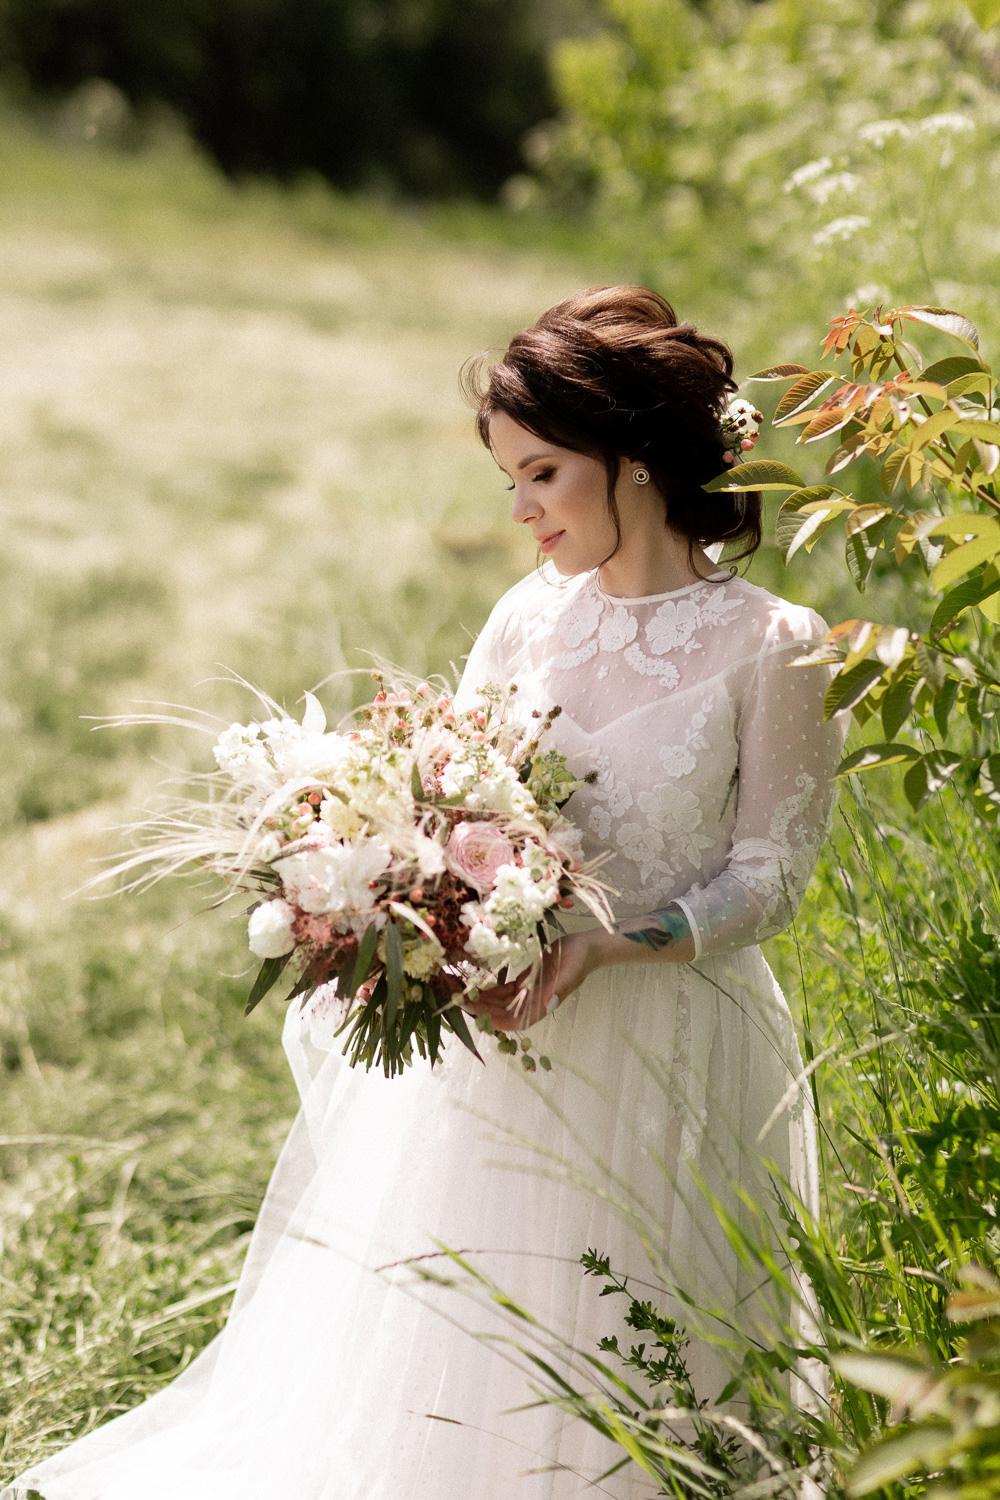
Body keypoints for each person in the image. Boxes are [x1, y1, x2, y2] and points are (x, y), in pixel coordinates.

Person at [5, 287, 845, 1500]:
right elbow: (458, 796)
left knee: (652, 1360)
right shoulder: (525, 616)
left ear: (637, 461)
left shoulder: (773, 642)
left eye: (543, 475)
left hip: (679, 1041)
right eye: (510, 478)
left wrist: (617, 945)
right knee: (470, 1342)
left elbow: (770, 877)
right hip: (509, 1040)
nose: (519, 512)